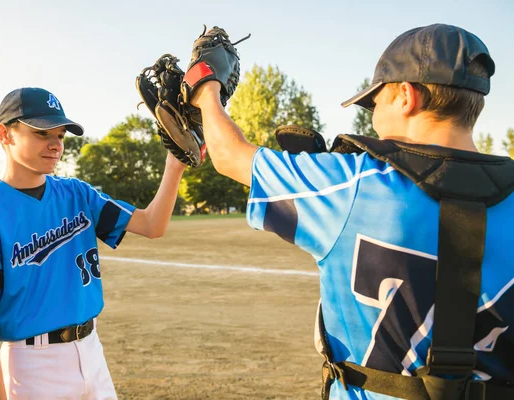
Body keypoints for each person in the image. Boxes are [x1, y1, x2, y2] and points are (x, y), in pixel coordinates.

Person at [187, 24, 514, 399]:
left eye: (376, 103)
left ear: (406, 96)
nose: (373, 117)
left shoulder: (352, 183)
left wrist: (205, 84)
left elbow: (228, 155)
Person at [0, 87, 186, 399]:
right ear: (5, 134)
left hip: (92, 350)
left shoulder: (77, 194)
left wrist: (174, 163)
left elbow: (153, 225)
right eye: (42, 133)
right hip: (32, 366)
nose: (55, 145)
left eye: (60, 135)